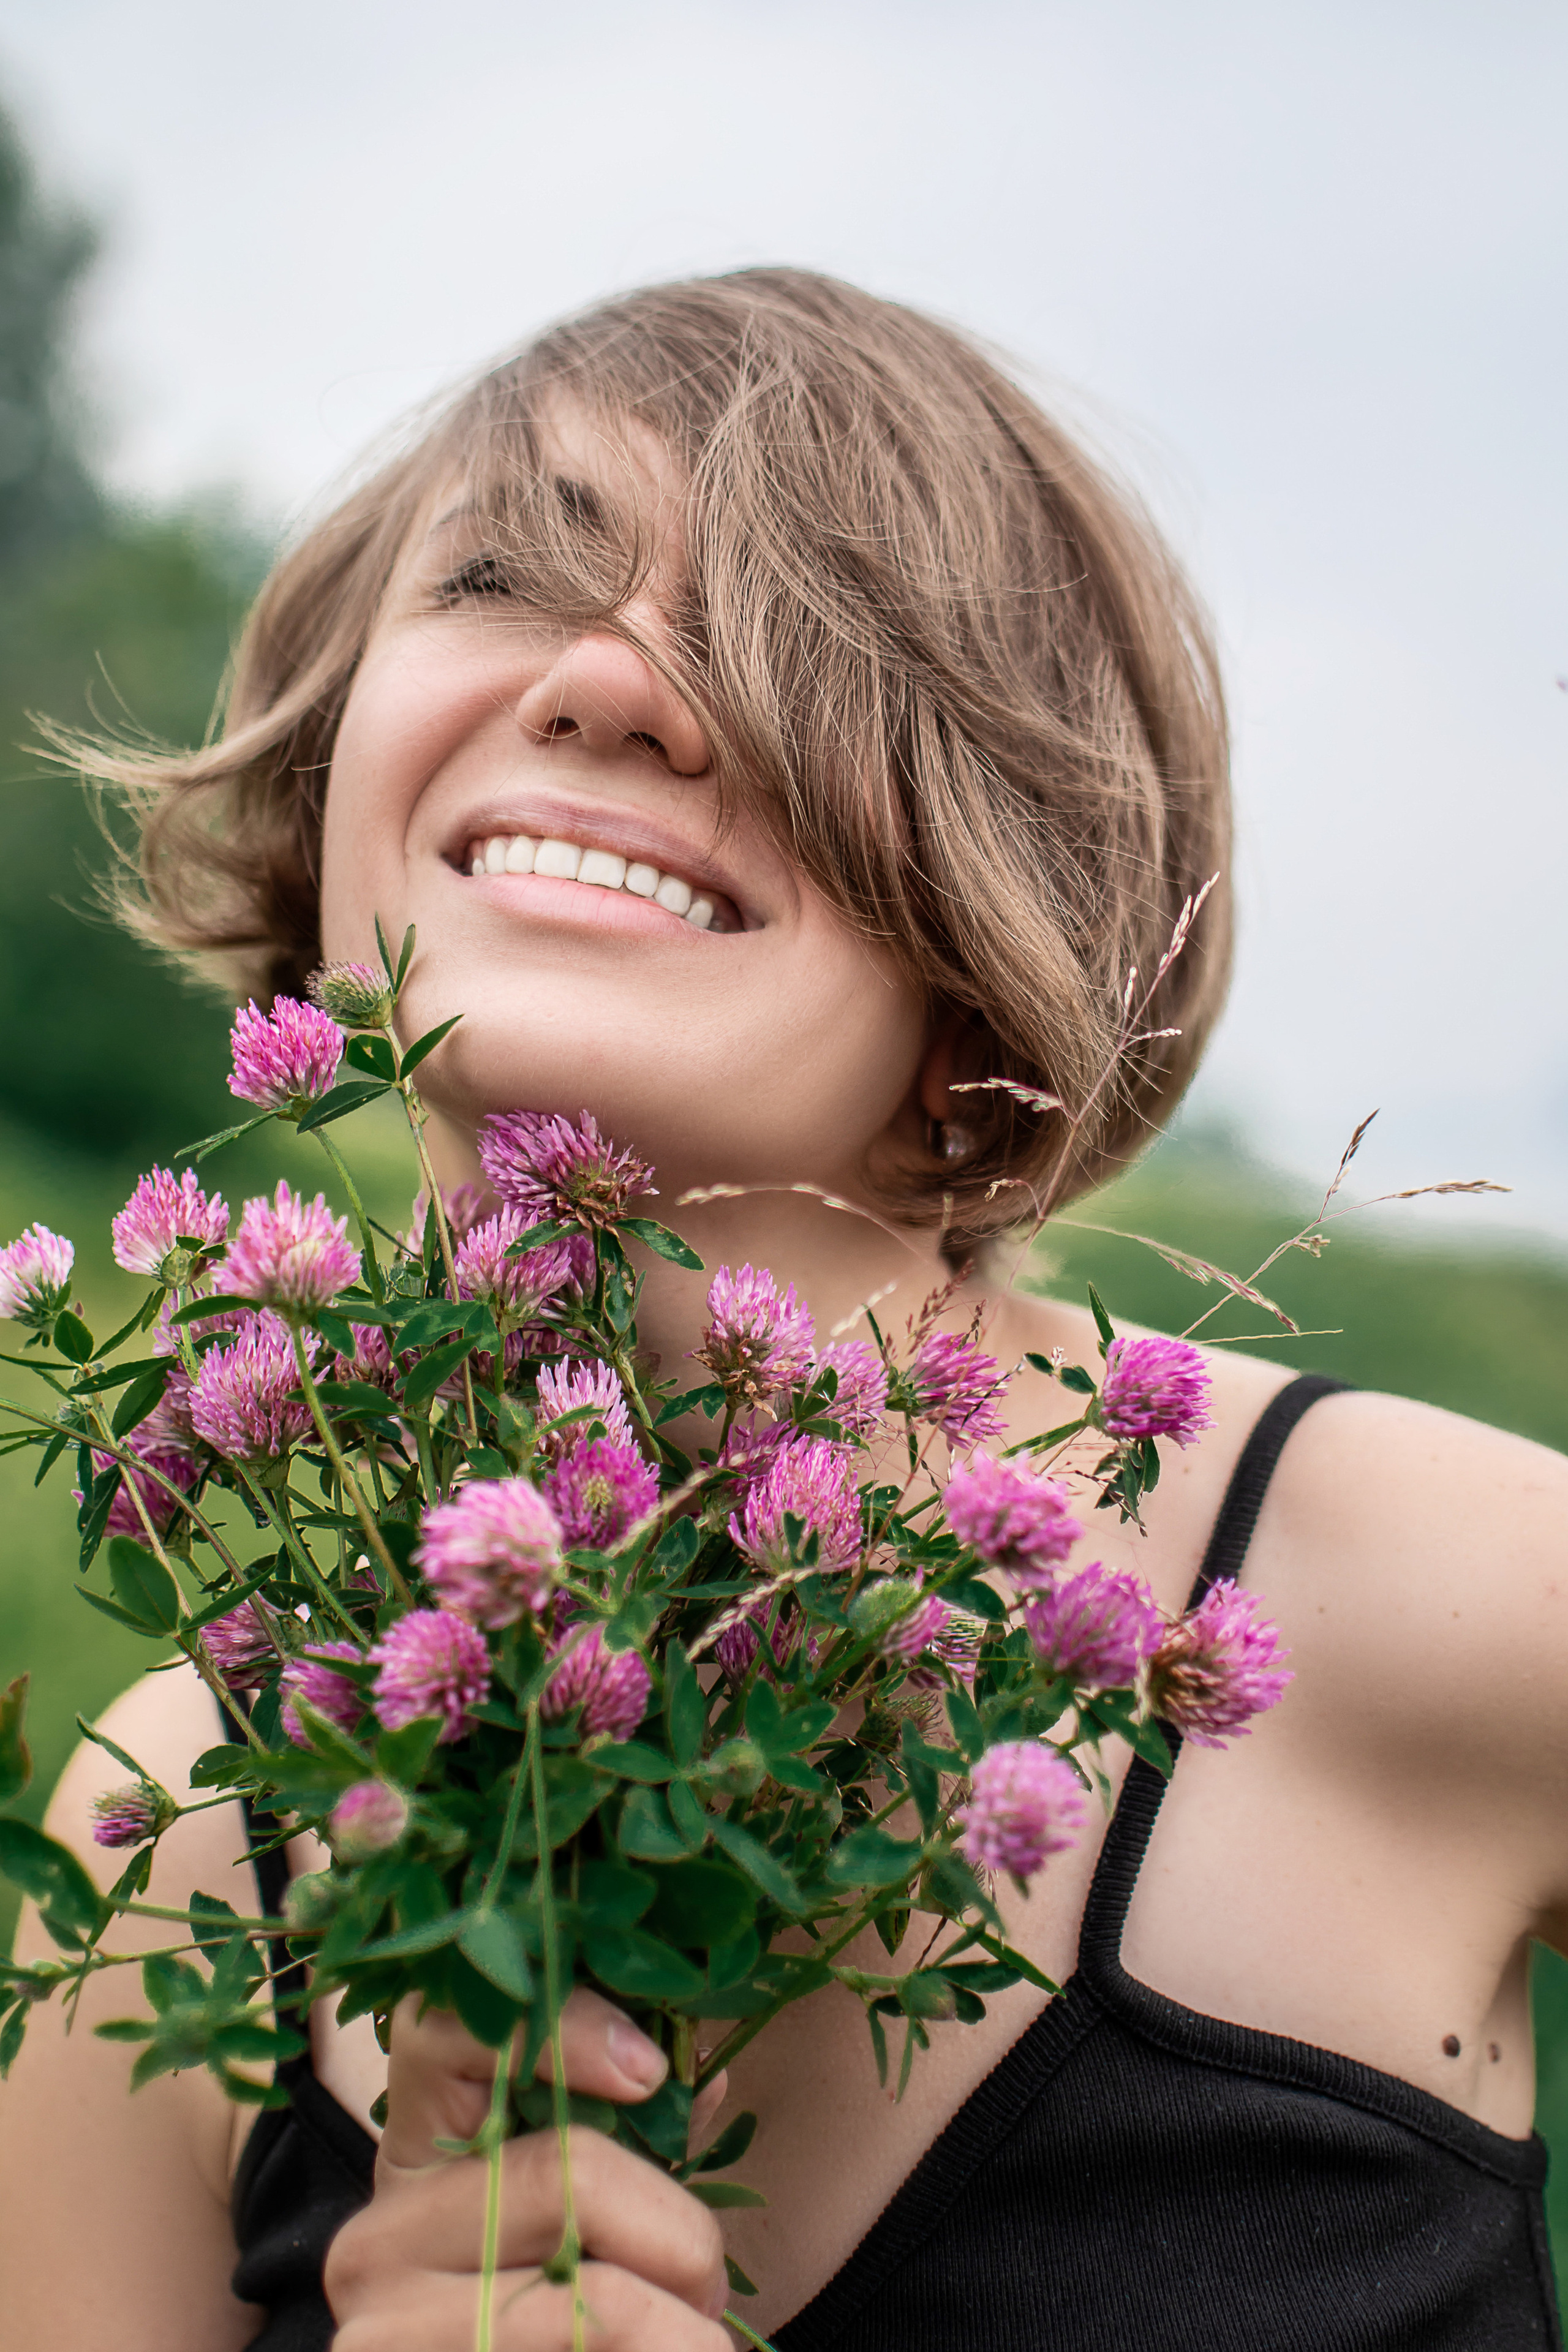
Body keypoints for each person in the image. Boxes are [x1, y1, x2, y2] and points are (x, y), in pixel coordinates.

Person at [1, 268, 1564, 2352]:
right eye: (498, 572)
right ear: (332, 772)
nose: (606, 679)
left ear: (1012, 892)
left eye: (789, 635)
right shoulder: (188, 1823)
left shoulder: (1451, 1600)